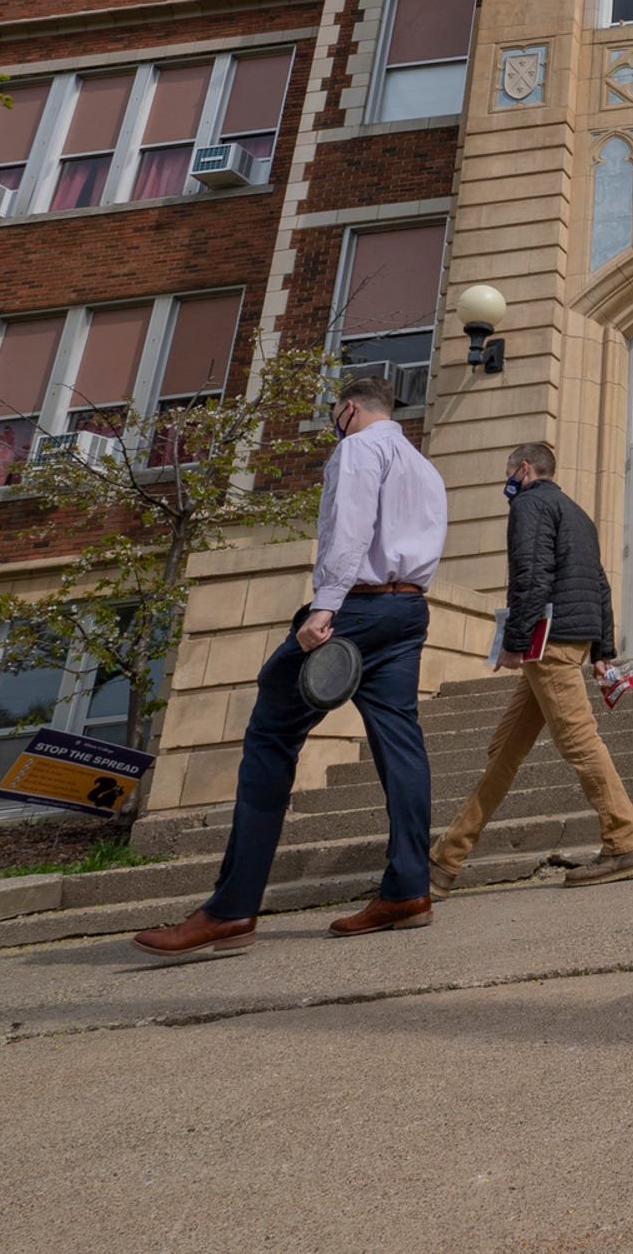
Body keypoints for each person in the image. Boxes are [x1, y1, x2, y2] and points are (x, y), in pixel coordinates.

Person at [134, 374, 446, 957]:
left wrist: (325, 605)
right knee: (401, 745)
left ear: (347, 409)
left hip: (356, 607)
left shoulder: (357, 447)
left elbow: (348, 529)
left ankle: (231, 910)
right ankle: (408, 889)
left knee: (270, 736)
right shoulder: (420, 463)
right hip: (409, 610)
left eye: (334, 413)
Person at [427, 440, 633, 891]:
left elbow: (531, 575)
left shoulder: (530, 505)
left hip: (548, 646)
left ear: (524, 469)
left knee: (579, 743)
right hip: (572, 640)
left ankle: (623, 843)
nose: (505, 483)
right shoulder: (578, 513)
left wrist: (513, 640)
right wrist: (603, 651)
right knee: (503, 751)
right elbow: (601, 586)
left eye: (508, 473)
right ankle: (444, 862)